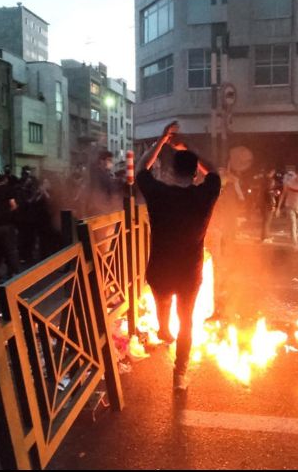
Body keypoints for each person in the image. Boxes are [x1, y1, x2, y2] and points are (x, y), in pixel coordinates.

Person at [135, 121, 221, 392]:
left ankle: (162, 328)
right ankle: (180, 374)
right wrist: (188, 146)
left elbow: (141, 169)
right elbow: (215, 171)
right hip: (189, 272)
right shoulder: (204, 195)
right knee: (187, 320)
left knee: (163, 302)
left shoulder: (159, 193)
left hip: (159, 269)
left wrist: (162, 140)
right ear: (195, 173)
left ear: (170, 172)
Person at [277, 170, 298, 251]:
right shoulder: (289, 183)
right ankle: (295, 244)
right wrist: (278, 207)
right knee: (293, 224)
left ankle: (293, 238)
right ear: (297, 175)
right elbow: (283, 195)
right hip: (290, 206)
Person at [88, 150, 119, 217]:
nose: (111, 163)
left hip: (106, 208)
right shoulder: (96, 174)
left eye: (111, 160)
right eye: (109, 160)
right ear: (101, 161)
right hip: (99, 211)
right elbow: (96, 193)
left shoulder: (106, 174)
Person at [259, 168, 279, 244]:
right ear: (271, 172)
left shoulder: (262, 180)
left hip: (262, 203)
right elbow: (269, 193)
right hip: (267, 204)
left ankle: (265, 236)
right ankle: (265, 237)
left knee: (265, 221)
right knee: (267, 221)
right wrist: (273, 204)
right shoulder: (270, 180)